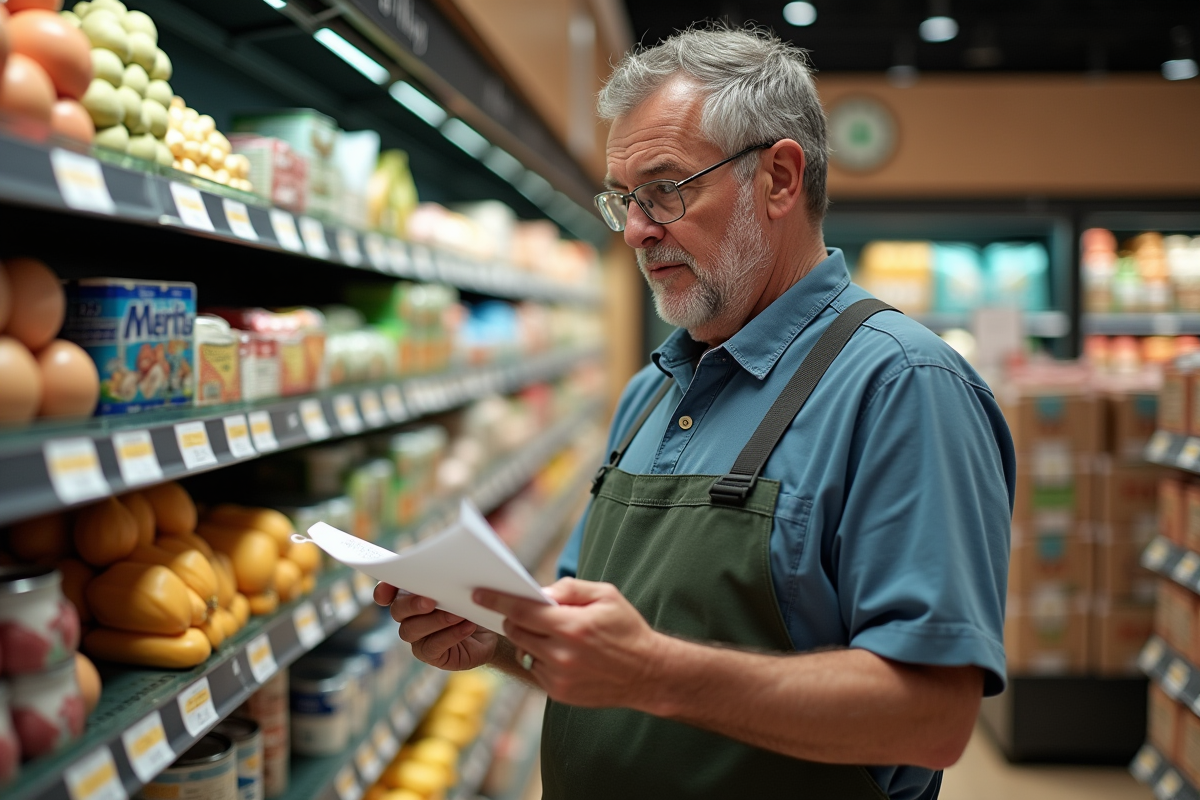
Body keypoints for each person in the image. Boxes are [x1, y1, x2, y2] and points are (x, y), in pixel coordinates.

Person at [375, 24, 1015, 800]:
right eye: (624, 200)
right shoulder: (652, 393)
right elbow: (595, 656)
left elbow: (933, 717)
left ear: (780, 179)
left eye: (666, 189)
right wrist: (502, 638)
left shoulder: (901, 386)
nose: (638, 231)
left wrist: (654, 673)